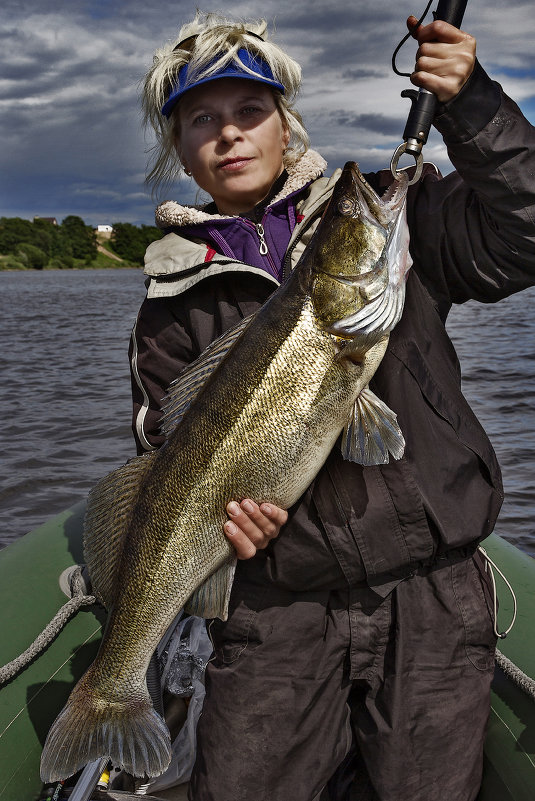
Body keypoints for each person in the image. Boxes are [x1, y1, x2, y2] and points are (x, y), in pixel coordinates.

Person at [131, 11, 535, 801]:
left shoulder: (396, 220)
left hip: (430, 594)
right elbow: (161, 445)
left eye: (250, 111)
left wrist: (470, 105)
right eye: (201, 121)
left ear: (287, 124)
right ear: (178, 151)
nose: (229, 134)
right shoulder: (169, 302)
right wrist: (230, 528)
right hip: (273, 608)